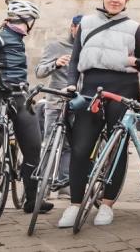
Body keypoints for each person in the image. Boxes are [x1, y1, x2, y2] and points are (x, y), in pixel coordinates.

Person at [57, 0, 140, 228]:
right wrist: (72, 83)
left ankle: (107, 205)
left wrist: (133, 62)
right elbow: (75, 60)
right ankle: (74, 205)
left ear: (126, 0)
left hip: (124, 91)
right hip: (90, 91)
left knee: (116, 151)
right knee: (81, 148)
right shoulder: (86, 23)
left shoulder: (134, 27)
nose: (115, 0)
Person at [0, 0, 54, 219]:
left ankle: (32, 200)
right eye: (31, 21)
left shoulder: (18, 41)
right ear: (27, 21)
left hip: (17, 97)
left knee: (33, 147)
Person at [34, 14, 83, 200]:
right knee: (49, 144)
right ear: (72, 27)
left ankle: (65, 185)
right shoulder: (56, 46)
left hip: (79, 105)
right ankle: (43, 186)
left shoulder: (88, 48)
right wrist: (55, 63)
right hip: (56, 103)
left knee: (70, 146)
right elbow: (39, 72)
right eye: (78, 29)